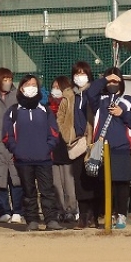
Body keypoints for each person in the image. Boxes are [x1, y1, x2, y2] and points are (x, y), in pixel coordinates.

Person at [2, 75, 63, 231]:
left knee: (47, 191)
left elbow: (54, 133)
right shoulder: (13, 111)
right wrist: (16, 149)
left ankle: (51, 220)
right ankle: (32, 220)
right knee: (28, 192)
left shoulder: (45, 110)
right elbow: (6, 135)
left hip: (44, 159)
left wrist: (48, 148)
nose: (31, 87)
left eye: (34, 84)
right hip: (22, 160)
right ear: (21, 88)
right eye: (28, 84)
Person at [86, 67, 131, 229]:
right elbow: (90, 92)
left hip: (122, 148)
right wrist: (105, 79)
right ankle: (107, 213)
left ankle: (121, 215)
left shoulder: (128, 101)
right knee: (105, 184)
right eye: (109, 81)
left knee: (122, 184)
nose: (112, 83)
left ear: (121, 83)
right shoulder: (100, 100)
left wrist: (123, 113)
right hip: (102, 150)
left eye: (115, 80)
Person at [56, 61, 101, 228]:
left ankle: (95, 215)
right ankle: (82, 216)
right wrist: (67, 134)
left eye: (83, 73)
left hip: (93, 142)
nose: (79, 76)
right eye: (77, 73)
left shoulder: (94, 93)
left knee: (94, 177)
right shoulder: (69, 95)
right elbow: (60, 117)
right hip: (76, 143)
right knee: (79, 180)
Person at [0, 67, 23, 224]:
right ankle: (4, 211)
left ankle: (18, 211)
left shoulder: (18, 95)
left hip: (16, 142)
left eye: (9, 79)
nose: (7, 82)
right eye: (4, 79)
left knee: (16, 178)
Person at [48, 75, 78, 226]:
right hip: (52, 151)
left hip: (67, 149)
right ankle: (59, 210)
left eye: (58, 87)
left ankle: (71, 210)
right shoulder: (47, 107)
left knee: (69, 184)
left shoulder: (70, 104)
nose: (55, 90)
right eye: (53, 87)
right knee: (56, 185)